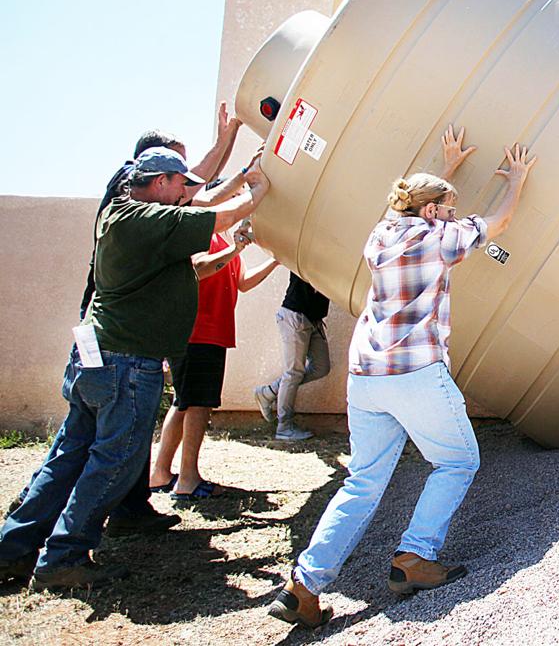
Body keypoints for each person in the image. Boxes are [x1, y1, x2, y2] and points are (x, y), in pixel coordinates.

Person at [268, 128, 535, 628]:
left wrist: (447, 167)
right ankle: (413, 557)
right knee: (457, 461)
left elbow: (408, 202)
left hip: (366, 375)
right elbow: (497, 222)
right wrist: (517, 177)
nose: (454, 216)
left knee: (362, 482)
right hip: (415, 371)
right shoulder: (440, 239)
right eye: (449, 208)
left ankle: (303, 585)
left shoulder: (380, 234)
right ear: (435, 213)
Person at [0, 148, 269, 590]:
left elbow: (196, 267)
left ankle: (13, 549)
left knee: (70, 455)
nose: (186, 191)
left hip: (99, 359)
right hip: (124, 362)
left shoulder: (128, 221)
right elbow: (216, 218)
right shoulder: (139, 217)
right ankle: (63, 557)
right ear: (159, 181)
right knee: (116, 462)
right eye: (180, 183)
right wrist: (256, 189)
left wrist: (234, 249)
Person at [150, 212, 280, 500]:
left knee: (183, 403)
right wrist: (235, 248)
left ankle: (160, 474)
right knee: (197, 405)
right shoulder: (202, 237)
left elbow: (243, 283)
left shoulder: (224, 241)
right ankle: (187, 481)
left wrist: (277, 260)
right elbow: (197, 268)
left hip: (211, 333)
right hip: (197, 332)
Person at [253, 273, 332, 441]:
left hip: (314, 318)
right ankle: (284, 427)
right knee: (294, 372)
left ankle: (270, 391)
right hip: (295, 314)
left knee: (321, 367)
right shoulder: (309, 250)